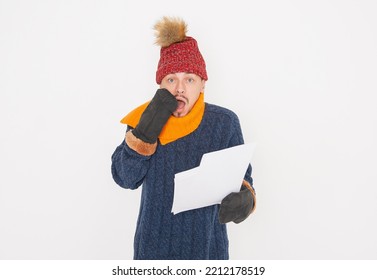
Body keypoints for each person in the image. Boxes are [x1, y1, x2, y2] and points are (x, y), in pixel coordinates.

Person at [111, 16, 256, 260]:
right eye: (171, 79)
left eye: (189, 79)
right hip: (152, 253)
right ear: (160, 84)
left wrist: (246, 198)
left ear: (202, 84)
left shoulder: (224, 122)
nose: (179, 89)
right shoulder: (143, 120)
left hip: (208, 252)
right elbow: (125, 178)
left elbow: (243, 178)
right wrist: (144, 133)